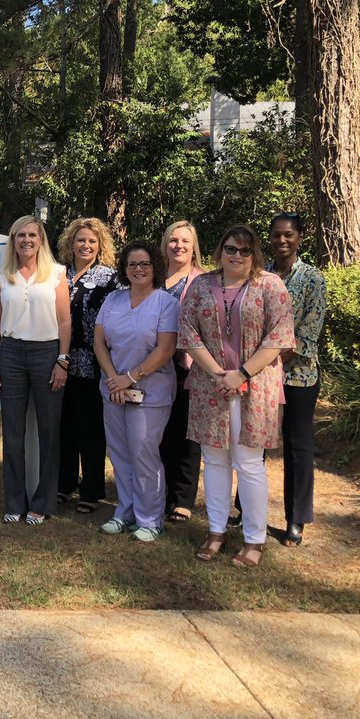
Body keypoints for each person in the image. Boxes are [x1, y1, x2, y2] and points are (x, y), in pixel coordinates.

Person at [179, 225, 295, 567]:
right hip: (210, 385)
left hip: (255, 387)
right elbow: (188, 331)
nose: (237, 256)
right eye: (231, 249)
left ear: (254, 254)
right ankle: (216, 531)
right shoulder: (202, 285)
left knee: (248, 464)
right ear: (220, 250)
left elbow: (280, 337)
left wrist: (242, 374)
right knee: (214, 461)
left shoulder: (270, 285)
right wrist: (219, 374)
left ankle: (254, 539)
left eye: (245, 251)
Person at [92, 241, 179, 541]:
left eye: (144, 264)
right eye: (132, 265)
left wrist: (131, 376)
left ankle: (150, 519)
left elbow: (166, 349)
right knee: (119, 453)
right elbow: (99, 343)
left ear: (155, 267)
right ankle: (124, 512)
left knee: (144, 453)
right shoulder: (113, 300)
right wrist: (113, 378)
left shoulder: (166, 303)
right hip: (114, 390)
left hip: (150, 392)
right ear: (124, 269)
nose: (138, 269)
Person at [0, 215, 71, 525]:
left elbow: (64, 321)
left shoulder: (57, 274)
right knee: (12, 432)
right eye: (20, 234)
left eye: (32, 234)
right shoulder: (2, 275)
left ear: (41, 239)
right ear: (13, 240)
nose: (26, 240)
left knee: (49, 432)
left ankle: (42, 503)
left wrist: (63, 359)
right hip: (10, 355)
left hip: (47, 353)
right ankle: (14, 502)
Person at [267, 212, 327, 547]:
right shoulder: (260, 276)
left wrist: (266, 360)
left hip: (298, 377)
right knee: (255, 444)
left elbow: (307, 335)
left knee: (298, 448)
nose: (282, 240)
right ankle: (246, 510)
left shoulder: (312, 278)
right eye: (276, 235)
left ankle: (296, 519)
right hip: (259, 377)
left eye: (288, 234)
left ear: (300, 236)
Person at [55, 217, 117, 514]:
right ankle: (64, 485)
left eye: (92, 241)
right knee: (64, 426)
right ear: (71, 242)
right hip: (59, 360)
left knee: (91, 429)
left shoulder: (110, 278)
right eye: (81, 240)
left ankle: (91, 490)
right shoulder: (58, 275)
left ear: (100, 245)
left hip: (94, 363)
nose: (86, 245)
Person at [158, 220, 206, 524]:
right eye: (173, 240)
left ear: (193, 246)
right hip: (156, 368)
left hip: (190, 368)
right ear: (165, 244)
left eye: (185, 241)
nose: (179, 246)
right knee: (160, 433)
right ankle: (160, 493)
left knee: (188, 435)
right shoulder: (155, 278)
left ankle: (183, 499)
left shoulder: (203, 280)